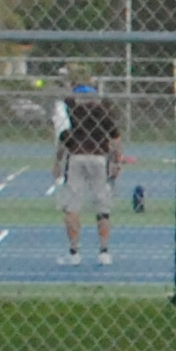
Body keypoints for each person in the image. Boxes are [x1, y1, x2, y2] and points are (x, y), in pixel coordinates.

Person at [54, 81, 123, 264]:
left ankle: (74, 252)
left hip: (77, 156)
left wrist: (58, 161)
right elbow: (115, 138)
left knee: (72, 206)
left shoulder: (72, 111)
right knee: (102, 206)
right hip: (99, 158)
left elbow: (63, 137)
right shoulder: (102, 112)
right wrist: (116, 161)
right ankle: (104, 251)